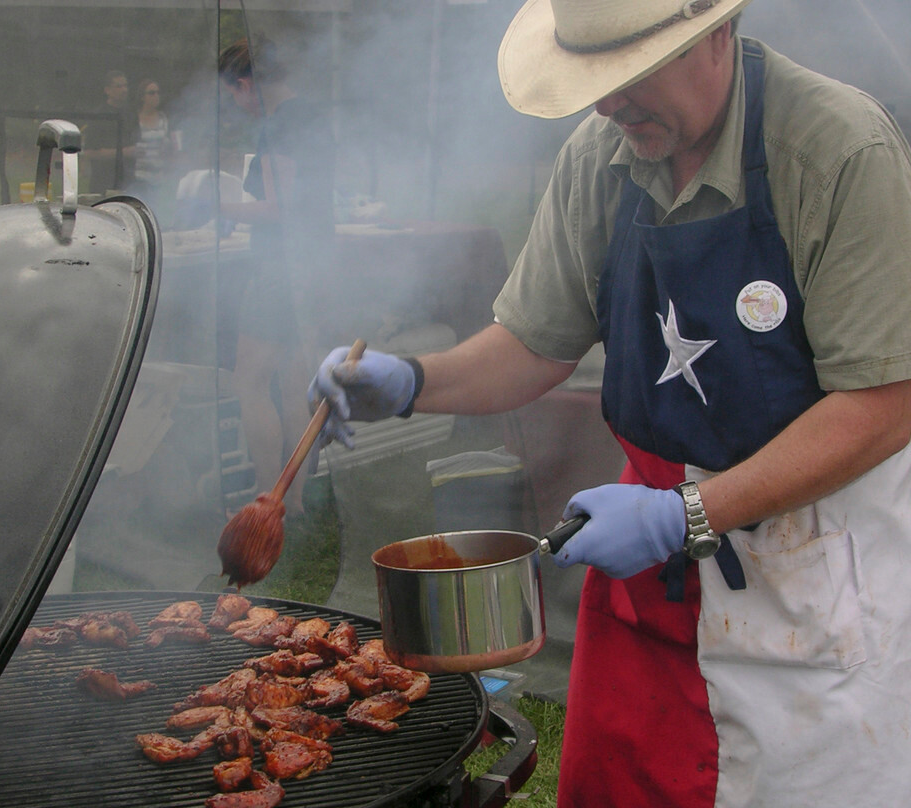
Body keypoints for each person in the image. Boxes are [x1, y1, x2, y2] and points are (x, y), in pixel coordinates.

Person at [310, 0, 911, 805]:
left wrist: (686, 516)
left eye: (629, 74)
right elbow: (536, 343)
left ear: (716, 35)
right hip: (649, 593)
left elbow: (882, 403)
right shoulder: (604, 154)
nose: (607, 104)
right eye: (594, 80)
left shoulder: (837, 148)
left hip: (809, 568)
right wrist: (417, 380)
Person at [217, 36, 335, 517]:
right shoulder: (311, 116)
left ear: (245, 85)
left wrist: (216, 205)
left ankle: (267, 498)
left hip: (280, 267)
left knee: (250, 380)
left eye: (233, 96)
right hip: (314, 261)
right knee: (292, 385)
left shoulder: (278, 126)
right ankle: (297, 503)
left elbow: (278, 209)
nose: (236, 105)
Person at [82, 69, 138, 195]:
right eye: (118, 86)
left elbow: (137, 145)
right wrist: (122, 153)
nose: (124, 90)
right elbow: (89, 152)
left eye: (125, 85)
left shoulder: (131, 114)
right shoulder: (99, 116)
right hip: (102, 184)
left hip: (128, 183)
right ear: (107, 90)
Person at [132, 78, 177, 192]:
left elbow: (174, 146)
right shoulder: (134, 120)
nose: (156, 96)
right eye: (151, 93)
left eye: (158, 93)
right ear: (142, 97)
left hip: (161, 177)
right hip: (139, 177)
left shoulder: (165, 119)